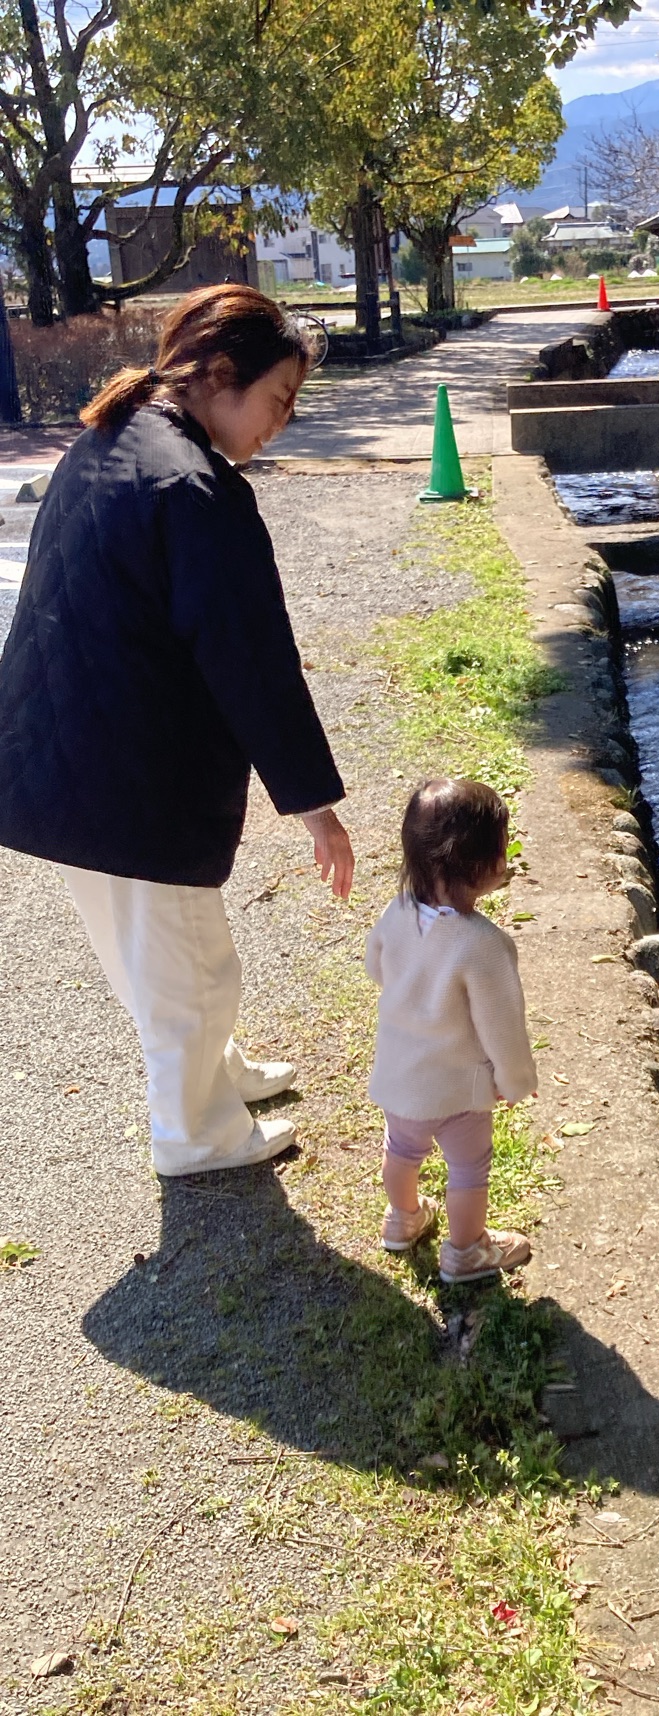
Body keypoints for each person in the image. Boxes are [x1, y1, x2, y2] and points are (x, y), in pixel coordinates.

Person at [0, 284, 354, 1177]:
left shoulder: (112, 436)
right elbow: (251, 661)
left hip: (63, 747)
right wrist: (315, 805)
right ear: (221, 376)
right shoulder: (195, 488)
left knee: (160, 954)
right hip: (123, 768)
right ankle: (195, 1132)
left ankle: (215, 1076)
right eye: (278, 400)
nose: (280, 424)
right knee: (184, 968)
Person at [366, 777, 537, 1284]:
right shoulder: (484, 945)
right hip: (458, 1089)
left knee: (402, 1150)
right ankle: (465, 1251)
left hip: (399, 1076)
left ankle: (403, 1218)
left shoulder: (396, 912)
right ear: (483, 866)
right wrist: (514, 1078)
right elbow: (501, 1026)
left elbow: (376, 966)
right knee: (468, 1169)